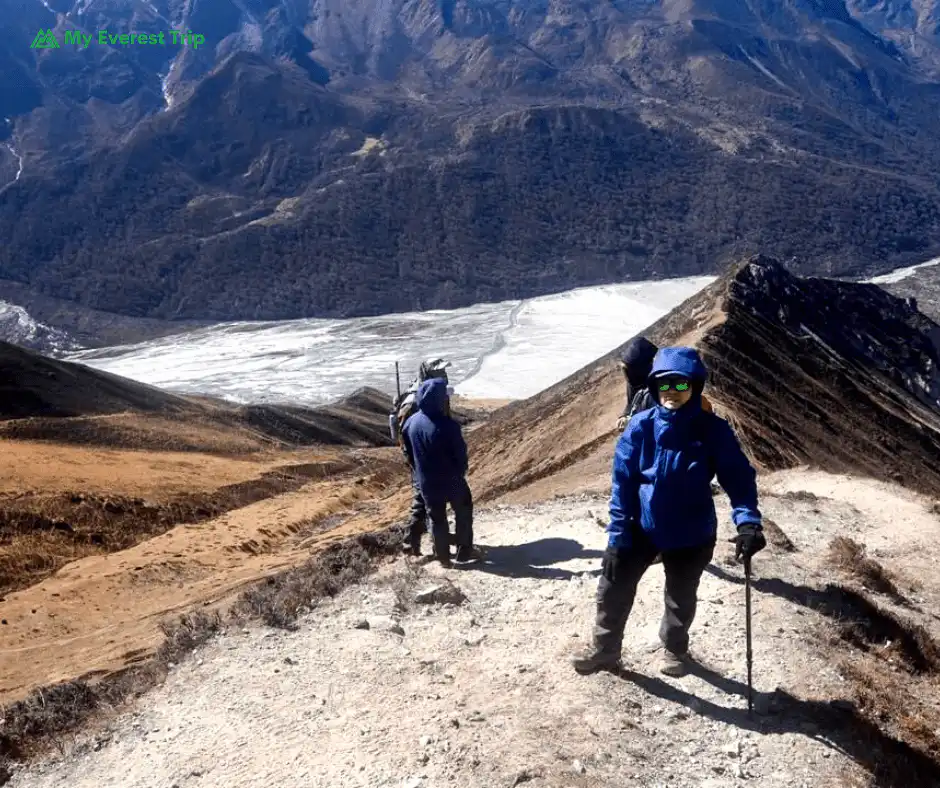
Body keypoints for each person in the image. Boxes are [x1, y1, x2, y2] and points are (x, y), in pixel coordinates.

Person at [575, 346, 766, 677]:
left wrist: (748, 522)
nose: (672, 392)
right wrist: (618, 532)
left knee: (680, 596)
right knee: (613, 588)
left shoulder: (713, 430)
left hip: (692, 530)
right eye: (665, 385)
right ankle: (606, 650)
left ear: (694, 386)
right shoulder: (640, 427)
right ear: (654, 387)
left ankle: (675, 650)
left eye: (680, 385)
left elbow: (738, 478)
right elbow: (623, 482)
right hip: (641, 525)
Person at [402, 377, 478, 567]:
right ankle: (464, 551)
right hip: (451, 480)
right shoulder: (449, 426)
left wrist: (419, 472)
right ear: (438, 399)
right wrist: (460, 472)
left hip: (427, 482)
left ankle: (443, 558)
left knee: (436, 518)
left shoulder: (410, 423)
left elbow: (409, 454)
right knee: (463, 510)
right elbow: (460, 456)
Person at [390, 359, 452, 556]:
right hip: (422, 455)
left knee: (429, 497)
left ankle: (425, 541)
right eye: (439, 372)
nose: (444, 376)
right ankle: (416, 542)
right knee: (425, 498)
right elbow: (407, 432)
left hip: (432, 454)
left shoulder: (431, 392)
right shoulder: (415, 400)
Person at [616, 337, 712, 432]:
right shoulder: (637, 382)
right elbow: (632, 403)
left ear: (641, 369)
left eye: (630, 370)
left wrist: (634, 422)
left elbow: (669, 417)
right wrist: (625, 416)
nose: (628, 375)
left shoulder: (665, 382)